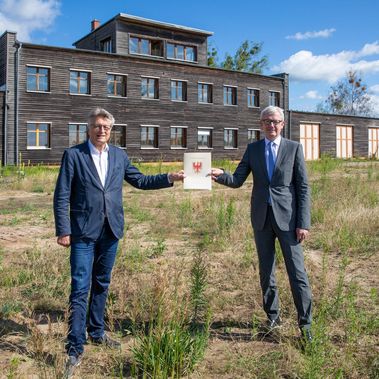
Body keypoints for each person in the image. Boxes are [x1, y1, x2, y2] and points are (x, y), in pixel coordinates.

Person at [54, 107, 185, 376]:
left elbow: (140, 180)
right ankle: (75, 347)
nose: (102, 130)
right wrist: (63, 230)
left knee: (102, 283)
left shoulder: (119, 156)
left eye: (106, 126)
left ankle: (97, 331)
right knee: (80, 287)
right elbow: (62, 195)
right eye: (97, 125)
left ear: (111, 130)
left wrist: (169, 178)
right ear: (88, 128)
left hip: (111, 231)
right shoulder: (73, 155)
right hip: (82, 233)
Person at [211, 105, 312, 342]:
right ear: (260, 125)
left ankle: (305, 325)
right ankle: (273, 317)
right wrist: (219, 174)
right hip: (261, 219)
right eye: (267, 121)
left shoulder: (294, 148)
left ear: (283, 124)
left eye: (275, 121)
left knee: (297, 272)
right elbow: (237, 180)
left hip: (288, 221)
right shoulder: (253, 149)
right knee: (267, 272)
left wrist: (303, 222)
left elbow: (303, 187)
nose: (271, 125)